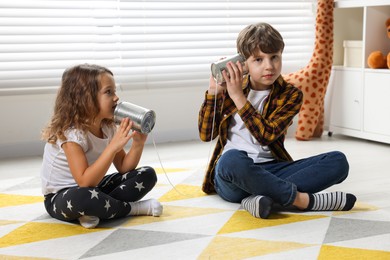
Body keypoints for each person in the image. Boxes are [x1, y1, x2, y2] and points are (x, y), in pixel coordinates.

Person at [198, 22, 356, 219]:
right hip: (234, 176)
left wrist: (239, 97)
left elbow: (265, 136)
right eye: (258, 59)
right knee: (230, 159)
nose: (269, 66)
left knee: (338, 161)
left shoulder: (291, 95)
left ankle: (260, 199)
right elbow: (206, 135)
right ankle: (301, 200)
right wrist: (214, 92)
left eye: (274, 57)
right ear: (243, 62)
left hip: (272, 169)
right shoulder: (232, 88)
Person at [40, 64, 162, 228]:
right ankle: (132, 209)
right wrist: (112, 147)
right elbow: (84, 181)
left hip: (94, 187)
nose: (116, 97)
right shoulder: (71, 135)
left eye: (114, 91)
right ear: (85, 98)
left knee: (147, 174)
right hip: (63, 196)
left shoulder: (107, 127)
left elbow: (124, 168)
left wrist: (138, 144)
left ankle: (97, 209)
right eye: (108, 92)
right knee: (84, 197)